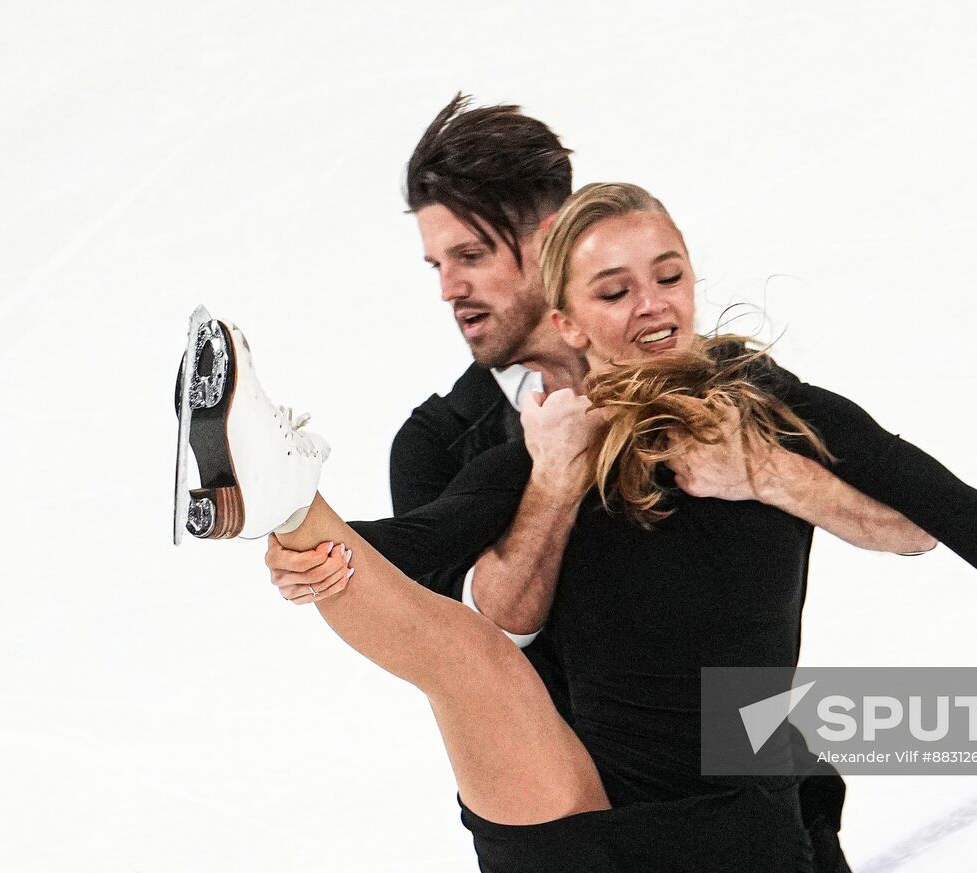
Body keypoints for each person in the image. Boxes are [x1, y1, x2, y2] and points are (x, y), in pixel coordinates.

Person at [175, 182, 977, 872]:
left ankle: (261, 494)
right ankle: (268, 487)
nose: (653, 304)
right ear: (566, 317)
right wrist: (332, 549)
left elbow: (956, 516)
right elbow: (423, 551)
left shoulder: (767, 406)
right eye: (615, 290)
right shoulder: (555, 433)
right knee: (463, 657)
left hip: (734, 822)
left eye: (666, 274)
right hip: (576, 800)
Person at [265, 94, 915, 871]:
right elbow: (481, 643)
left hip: (755, 810)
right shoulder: (441, 443)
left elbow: (901, 517)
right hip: (581, 830)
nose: (447, 288)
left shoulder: (712, 384)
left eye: (469, 255)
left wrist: (769, 475)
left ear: (550, 245)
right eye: (437, 264)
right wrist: (551, 485)